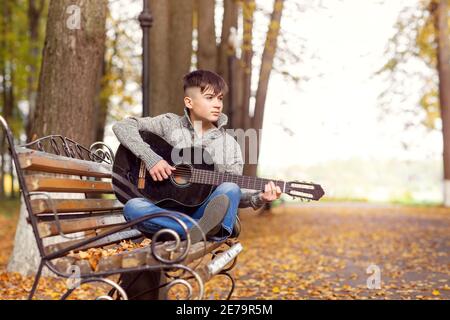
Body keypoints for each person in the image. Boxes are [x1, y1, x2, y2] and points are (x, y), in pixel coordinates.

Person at [112, 69, 281, 243]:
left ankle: (206, 226)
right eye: (210, 98)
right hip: (164, 211)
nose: (217, 104)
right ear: (189, 102)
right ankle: (206, 229)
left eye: (220, 98)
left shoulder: (229, 145)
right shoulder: (168, 124)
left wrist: (259, 198)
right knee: (132, 208)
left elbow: (235, 194)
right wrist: (151, 159)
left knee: (230, 187)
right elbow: (123, 126)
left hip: (202, 211)